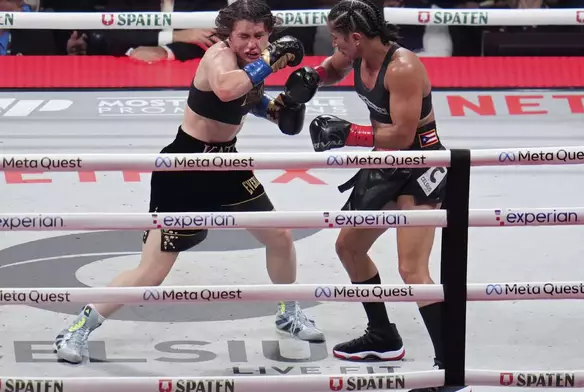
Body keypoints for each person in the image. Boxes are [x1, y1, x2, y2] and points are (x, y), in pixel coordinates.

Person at [53, 0, 324, 364]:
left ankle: (289, 313)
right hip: (186, 166)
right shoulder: (219, 58)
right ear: (228, 35)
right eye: (244, 35)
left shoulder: (253, 66)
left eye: (259, 36)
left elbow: (268, 112)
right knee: (152, 272)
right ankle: (76, 330)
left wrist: (293, 104)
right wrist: (272, 57)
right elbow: (227, 89)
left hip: (227, 162)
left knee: (280, 236)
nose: (251, 43)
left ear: (268, 34)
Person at [285, 1, 457, 391]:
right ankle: (382, 335)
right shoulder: (358, 56)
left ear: (357, 39)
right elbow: (332, 67)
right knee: (349, 247)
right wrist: (310, 78)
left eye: (338, 39)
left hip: (419, 166)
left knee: (413, 271)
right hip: (383, 166)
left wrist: (348, 134)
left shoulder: (404, 68)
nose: (335, 45)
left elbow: (401, 133)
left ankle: (449, 366)